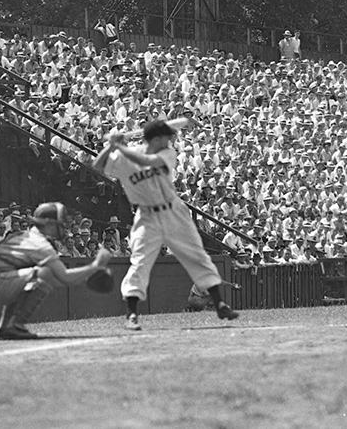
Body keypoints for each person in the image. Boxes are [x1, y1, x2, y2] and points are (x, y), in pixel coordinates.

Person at [94, 119, 239, 331]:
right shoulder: (125, 154)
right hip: (145, 215)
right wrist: (110, 148)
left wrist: (118, 147)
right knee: (140, 261)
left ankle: (220, 304)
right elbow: (98, 165)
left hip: (173, 210)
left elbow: (147, 161)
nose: (170, 140)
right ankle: (132, 315)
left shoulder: (166, 154)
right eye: (166, 137)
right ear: (157, 138)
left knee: (196, 254)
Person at [0, 202, 112, 339]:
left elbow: (59, 279)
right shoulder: (40, 244)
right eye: (59, 221)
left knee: (35, 277)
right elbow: (65, 277)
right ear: (49, 223)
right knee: (44, 274)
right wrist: (95, 265)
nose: (63, 225)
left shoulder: (27, 235)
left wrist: (83, 275)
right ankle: (16, 324)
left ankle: (6, 327)